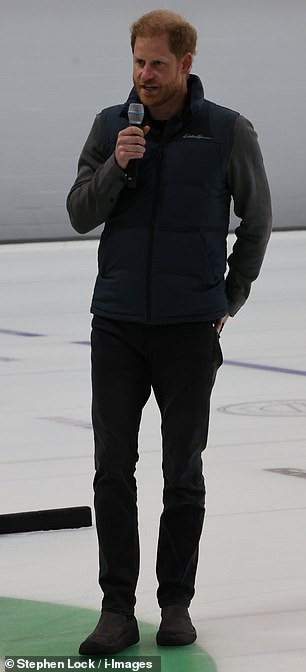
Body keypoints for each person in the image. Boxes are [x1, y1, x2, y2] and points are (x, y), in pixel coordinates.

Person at [66, 9, 272, 655]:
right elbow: (78, 213)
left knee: (182, 472)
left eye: (156, 63)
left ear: (185, 64)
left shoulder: (226, 131)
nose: (144, 75)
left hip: (188, 329)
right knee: (111, 470)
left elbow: (258, 219)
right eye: (137, 61)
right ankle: (116, 610)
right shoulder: (110, 127)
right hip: (118, 325)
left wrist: (230, 296)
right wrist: (115, 168)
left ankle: (175, 604)